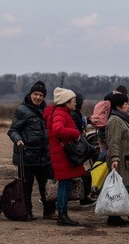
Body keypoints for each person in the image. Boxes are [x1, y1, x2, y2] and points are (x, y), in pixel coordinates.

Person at [7, 80, 55, 220]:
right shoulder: (22, 110)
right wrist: (18, 139)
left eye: (41, 95)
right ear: (30, 94)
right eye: (36, 94)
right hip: (26, 155)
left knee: (47, 185)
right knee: (26, 187)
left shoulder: (47, 111)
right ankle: (26, 211)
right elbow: (13, 130)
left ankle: (50, 211)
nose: (38, 97)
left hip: (44, 155)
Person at [43, 88, 85, 227]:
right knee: (64, 184)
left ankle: (62, 213)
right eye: (73, 101)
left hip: (61, 153)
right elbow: (58, 129)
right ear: (66, 103)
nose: (75, 103)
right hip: (62, 154)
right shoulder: (60, 113)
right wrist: (75, 133)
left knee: (65, 184)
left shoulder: (60, 112)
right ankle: (62, 214)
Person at [105, 93, 129, 225]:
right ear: (118, 106)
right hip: (120, 161)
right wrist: (115, 158)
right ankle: (113, 216)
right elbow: (113, 142)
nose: (128, 105)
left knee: (123, 188)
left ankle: (116, 215)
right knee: (118, 189)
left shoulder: (122, 119)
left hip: (126, 160)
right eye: (125, 103)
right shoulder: (116, 121)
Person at [70, 92, 96, 207]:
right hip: (73, 151)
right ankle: (84, 198)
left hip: (72, 151)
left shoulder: (75, 114)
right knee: (85, 175)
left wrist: (87, 120)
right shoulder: (74, 114)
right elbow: (77, 133)